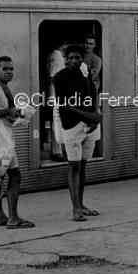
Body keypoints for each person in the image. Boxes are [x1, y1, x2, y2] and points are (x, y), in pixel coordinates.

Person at [0, 56, 34, 229]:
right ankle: (13, 218)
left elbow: (1, 113)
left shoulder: (4, 88)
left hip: (3, 139)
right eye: (5, 69)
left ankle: (0, 216)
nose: (9, 72)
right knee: (14, 176)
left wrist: (16, 115)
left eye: (11, 69)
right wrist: (10, 111)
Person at [53, 44, 102, 220]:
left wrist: (95, 116)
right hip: (72, 126)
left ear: (82, 59)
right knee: (74, 167)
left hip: (88, 126)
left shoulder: (85, 76)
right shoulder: (59, 78)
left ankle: (81, 205)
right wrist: (91, 117)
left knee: (83, 167)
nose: (74, 60)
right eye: (70, 57)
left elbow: (91, 97)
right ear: (65, 59)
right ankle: (75, 210)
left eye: (77, 58)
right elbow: (65, 105)